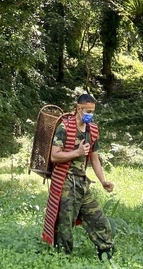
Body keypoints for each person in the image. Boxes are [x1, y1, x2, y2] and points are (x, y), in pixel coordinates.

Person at [41, 92, 116, 259]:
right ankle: (63, 256)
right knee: (65, 225)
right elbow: (54, 156)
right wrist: (77, 152)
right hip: (65, 182)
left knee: (99, 219)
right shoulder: (65, 127)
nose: (90, 114)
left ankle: (106, 252)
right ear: (78, 108)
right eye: (87, 111)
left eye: (92, 111)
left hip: (82, 182)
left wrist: (103, 180)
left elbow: (94, 158)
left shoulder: (92, 130)